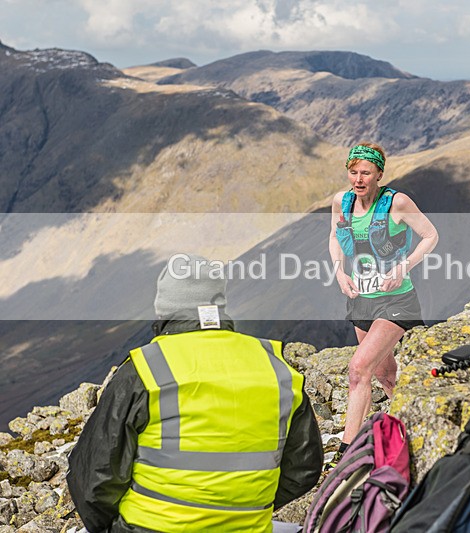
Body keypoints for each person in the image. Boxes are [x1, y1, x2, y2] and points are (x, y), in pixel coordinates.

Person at [67, 254, 322, 532]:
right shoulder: (276, 366)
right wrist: (239, 509)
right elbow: (304, 468)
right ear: (219, 305)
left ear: (163, 309)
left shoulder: (146, 368)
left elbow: (94, 475)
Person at [329, 142, 438, 462]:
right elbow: (335, 237)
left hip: (397, 300)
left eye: (366, 173)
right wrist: (339, 273)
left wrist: (403, 267)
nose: (358, 179)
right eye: (353, 172)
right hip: (361, 300)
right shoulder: (342, 202)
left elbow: (431, 235)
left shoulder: (397, 203)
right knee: (384, 375)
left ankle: (346, 454)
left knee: (358, 369)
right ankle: (416, 423)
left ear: (379, 174)